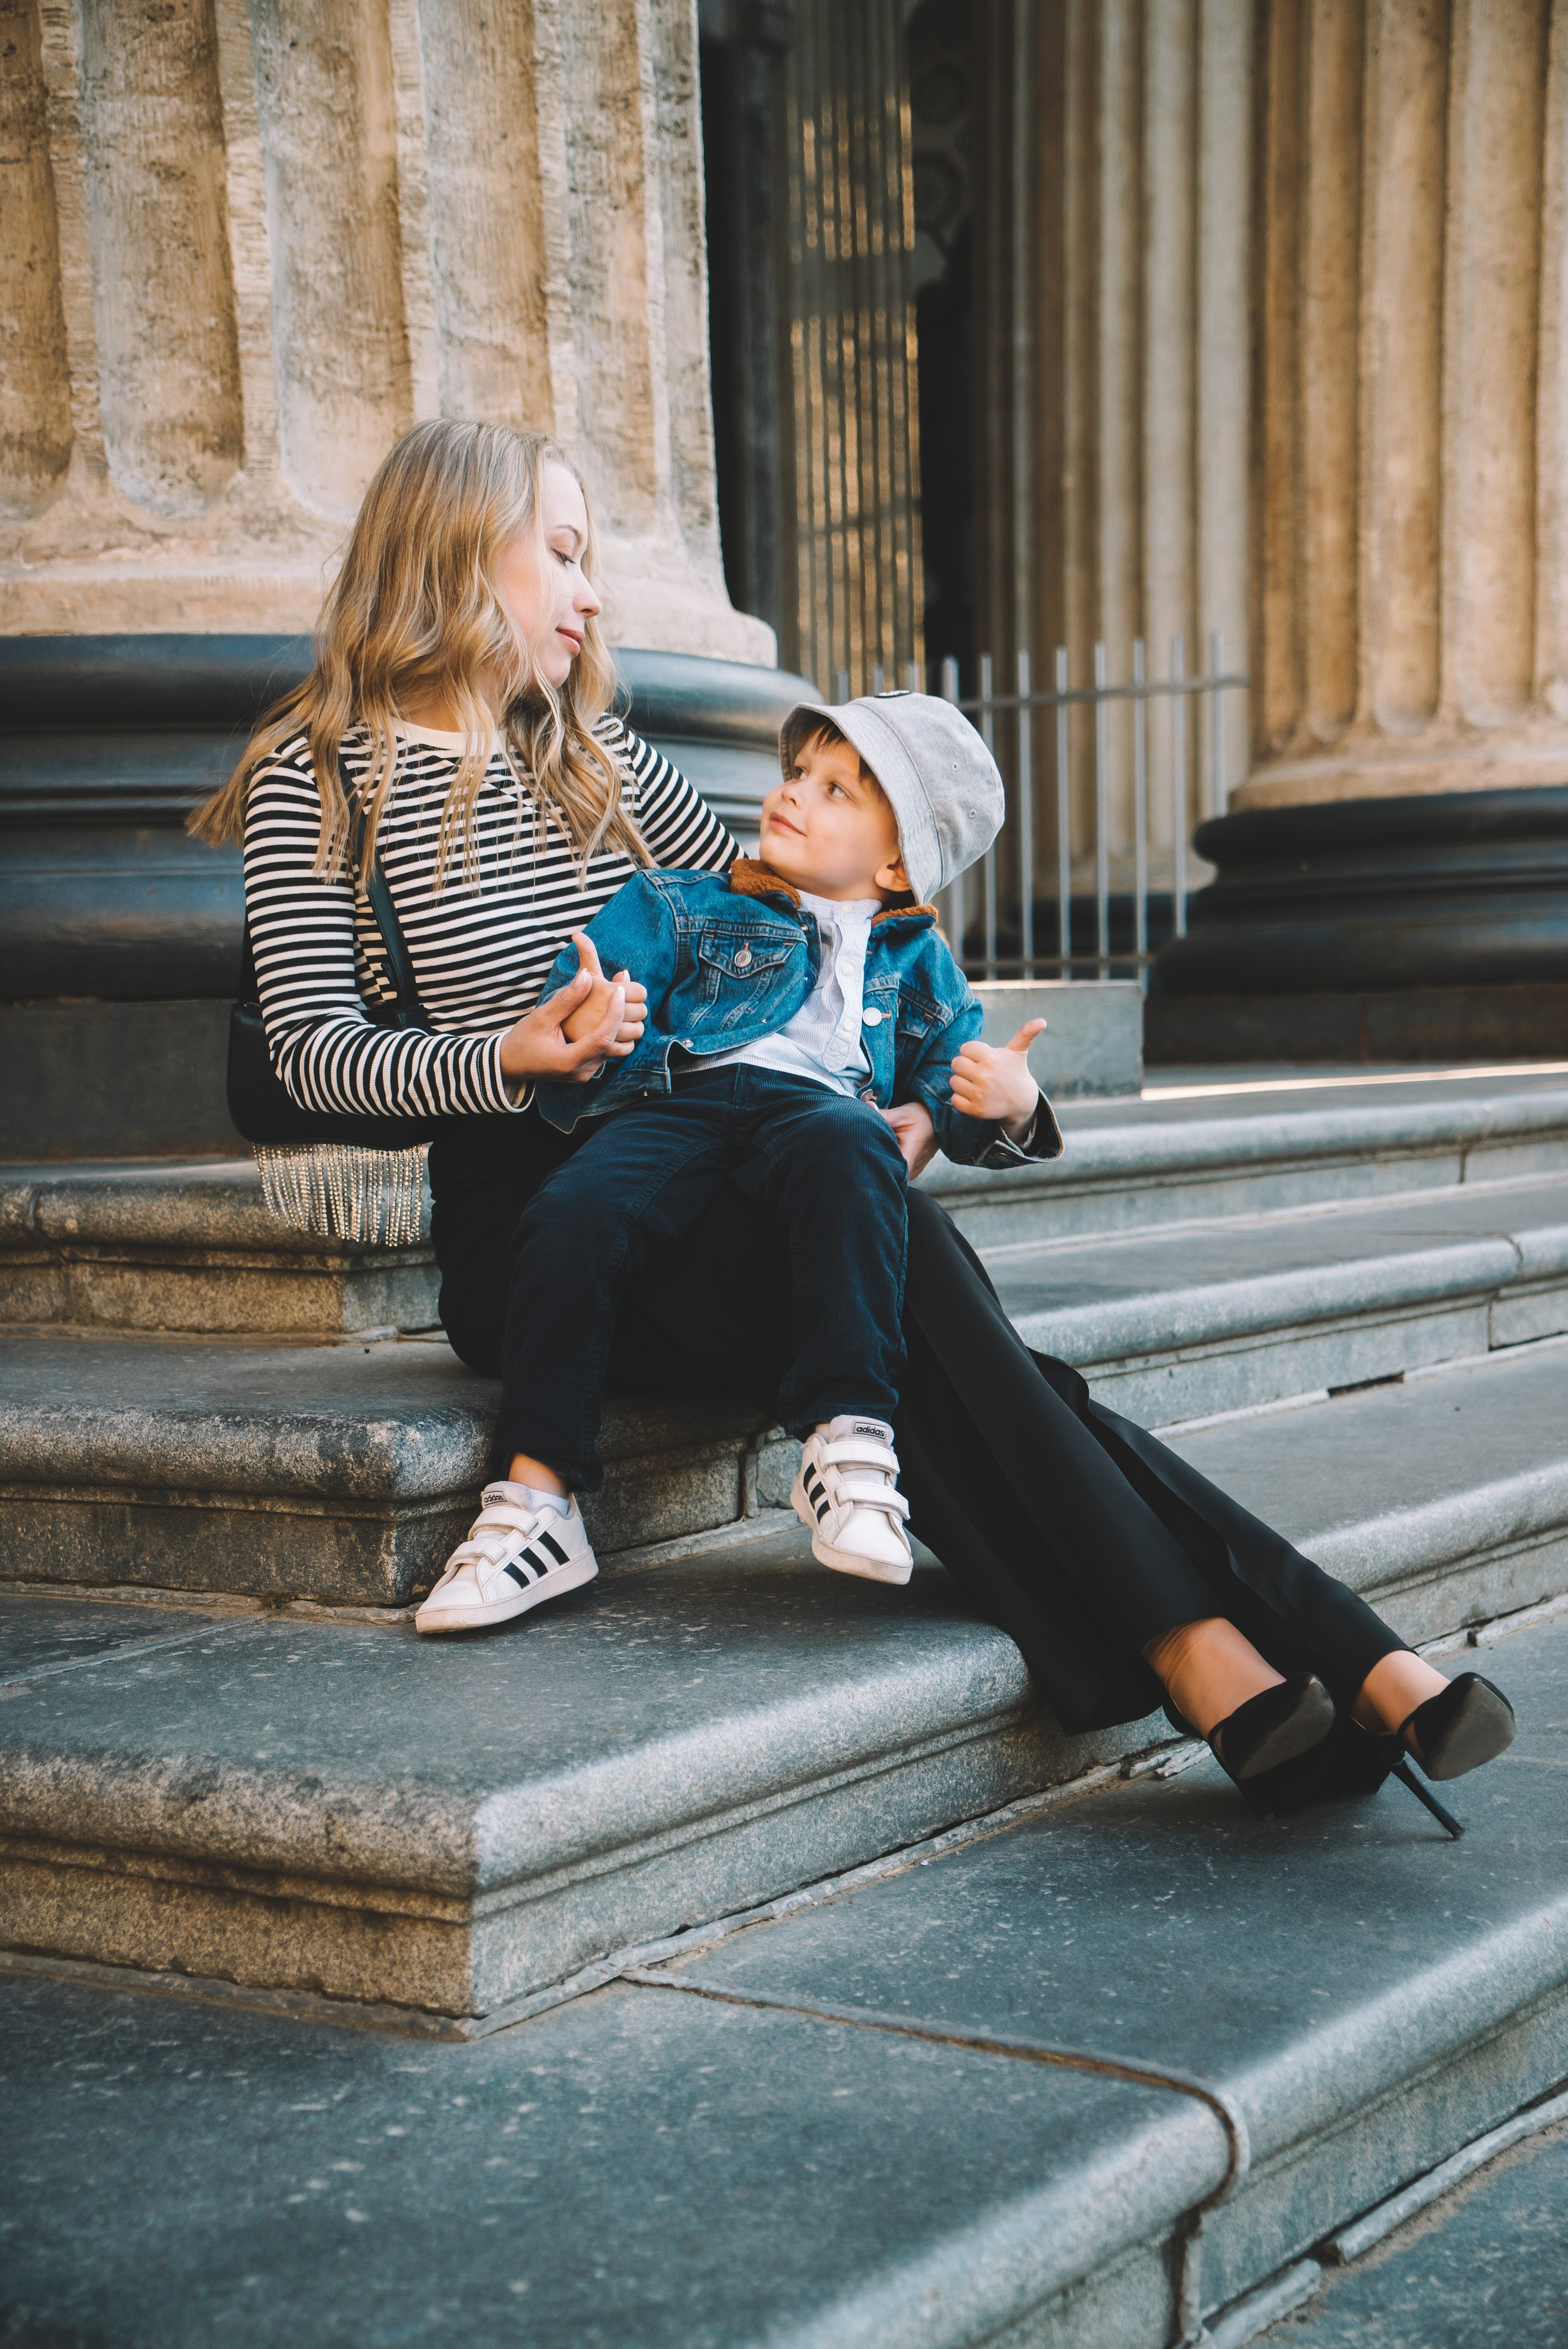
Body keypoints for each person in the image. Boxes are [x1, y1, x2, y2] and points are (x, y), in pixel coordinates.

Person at [192, 417, 1516, 1827]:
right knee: (927, 1294)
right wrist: (509, 1056)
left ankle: (1218, 1660)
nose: (589, 597)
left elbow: (826, 918)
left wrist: (934, 1101)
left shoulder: (598, 762)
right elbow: (310, 1057)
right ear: (458, 549)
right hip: (539, 1230)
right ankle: (1305, 1647)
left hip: (712, 1164)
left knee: (894, 1245)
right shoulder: (319, 775)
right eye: (565, 555)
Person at [413, 688, 1060, 1626]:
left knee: (851, 1143)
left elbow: (956, 1090)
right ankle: (536, 1506)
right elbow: (589, 987)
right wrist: (598, 1023)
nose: (795, 793)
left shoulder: (919, 963)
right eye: (800, 772)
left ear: (894, 863)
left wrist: (1003, 1104)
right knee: (570, 1211)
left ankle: (849, 1444)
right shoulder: (685, 899)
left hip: (813, 1119)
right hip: (679, 1102)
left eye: (839, 790)